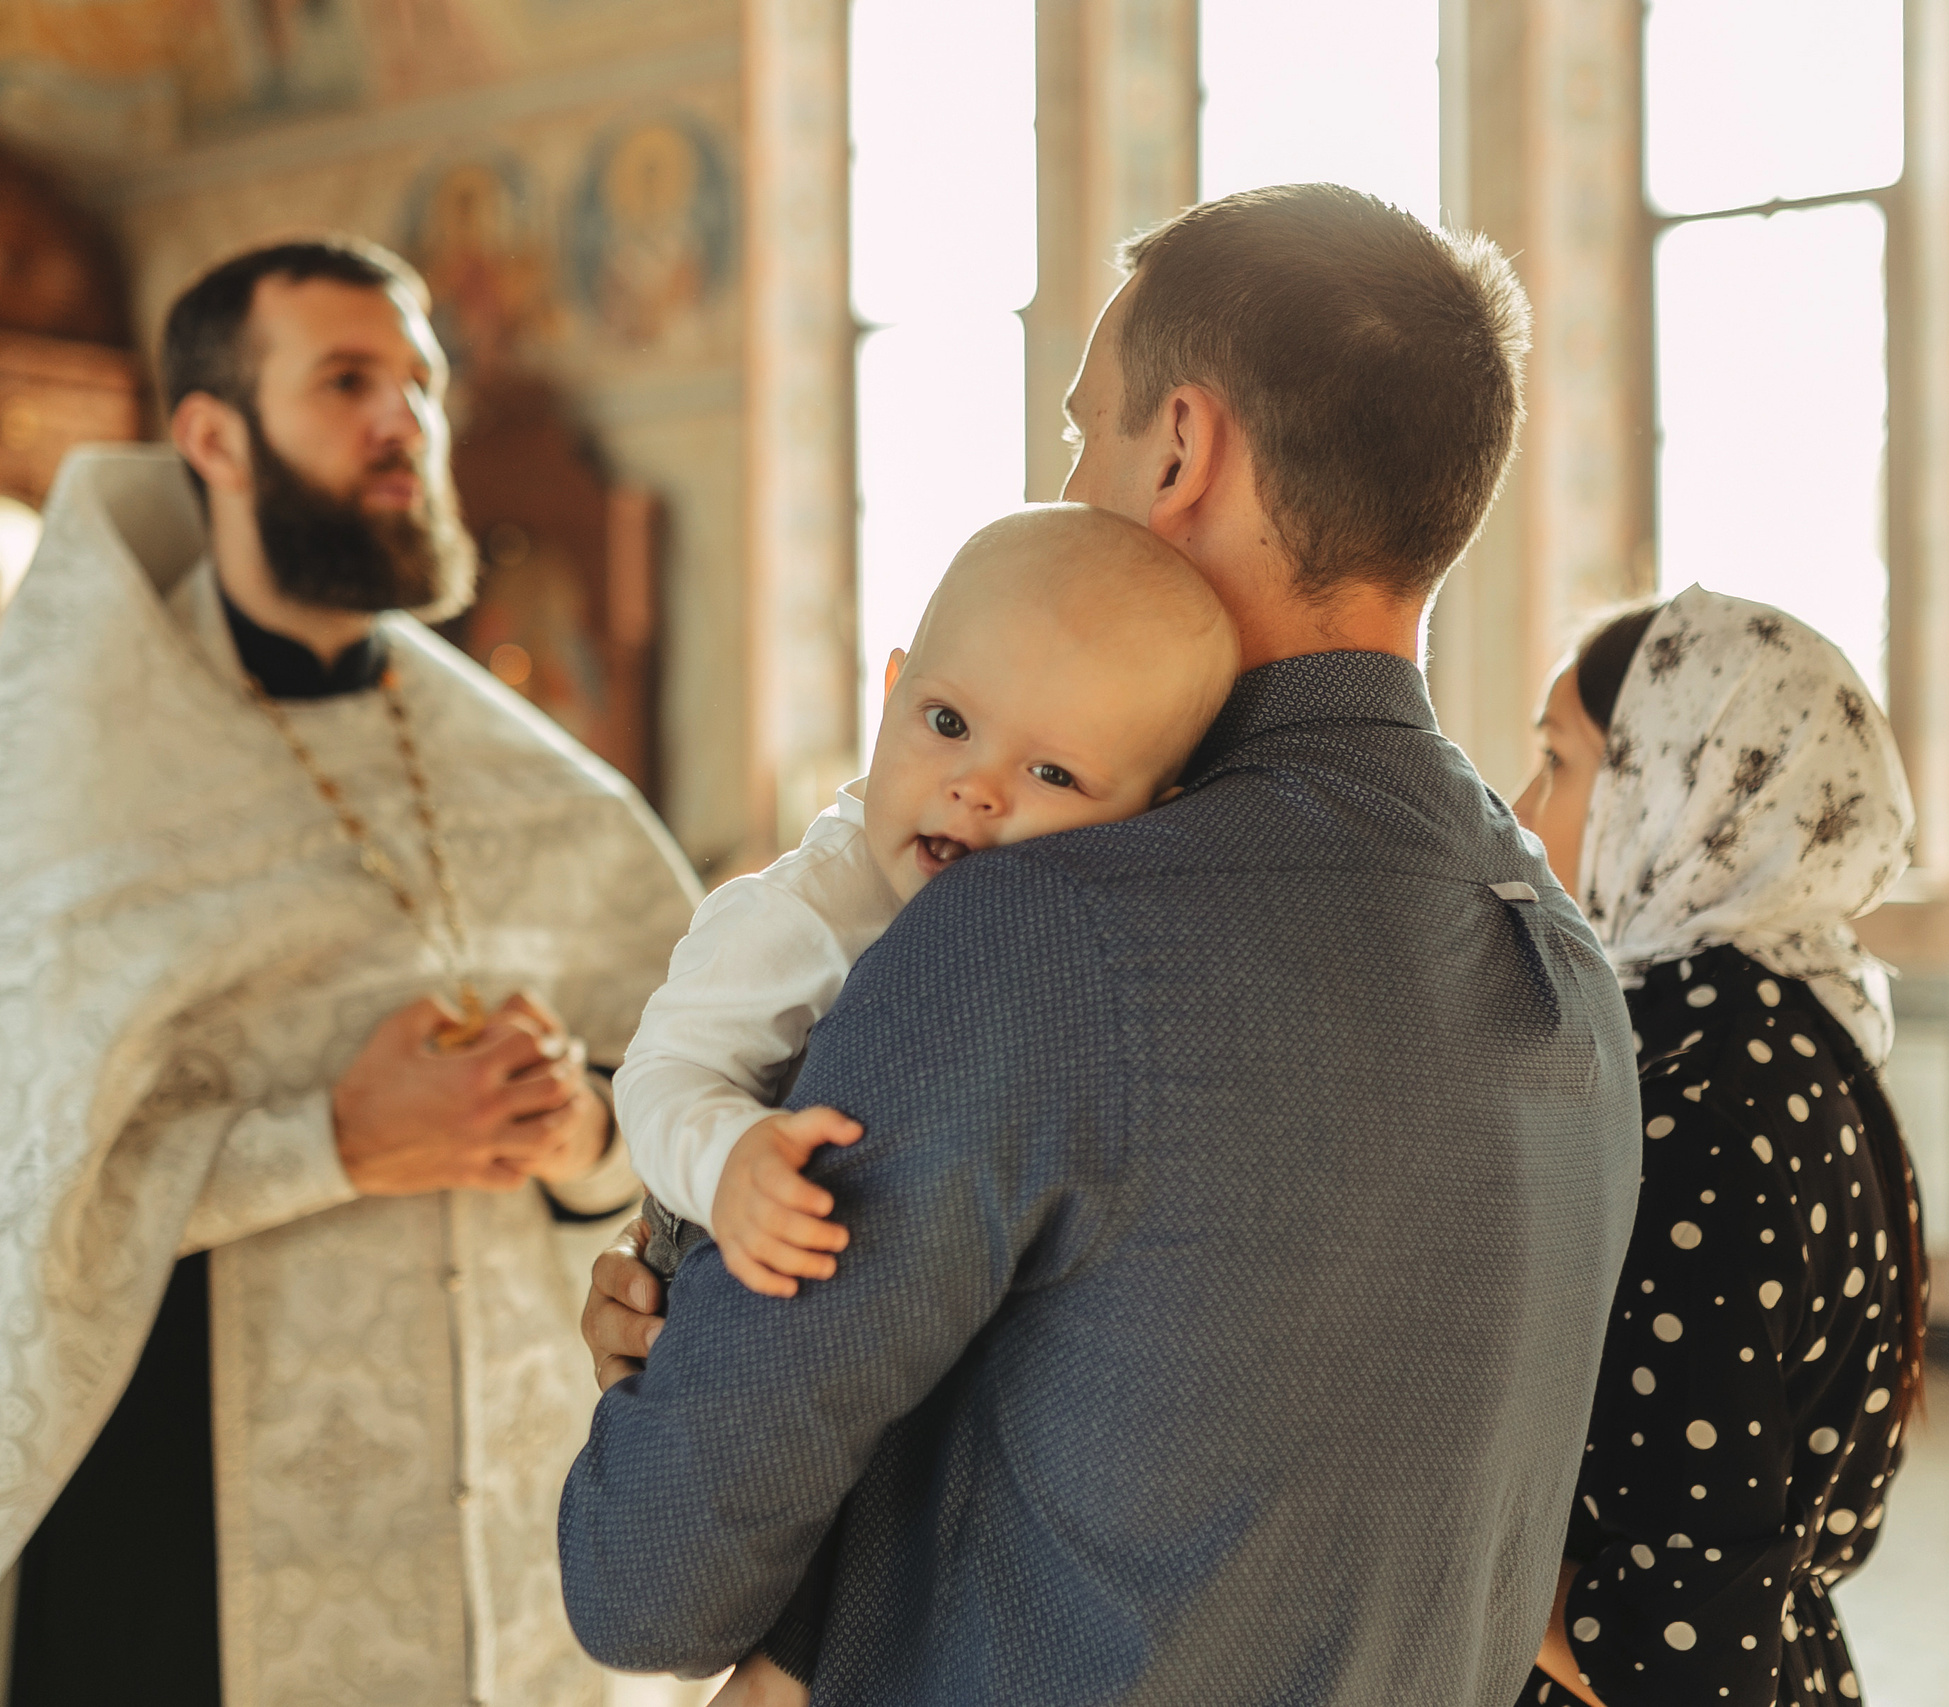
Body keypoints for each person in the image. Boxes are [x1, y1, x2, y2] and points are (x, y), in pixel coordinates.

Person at [562, 183, 1644, 1706]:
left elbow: (648, 1578)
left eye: (1084, 431)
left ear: (1184, 447)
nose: (1068, 472)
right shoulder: (1566, 964)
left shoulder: (1029, 929)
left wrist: (681, 1341)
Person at [0, 239, 700, 1707]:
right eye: (347, 382)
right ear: (212, 435)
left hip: (505, 1534)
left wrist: (576, 1132)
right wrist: (333, 1142)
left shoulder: (536, 782)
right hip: (176, 1535)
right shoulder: (74, 782)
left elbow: (685, 1081)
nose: (405, 422)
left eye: (422, 385)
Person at [618, 506, 1238, 1297]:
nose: (974, 788)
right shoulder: (802, 912)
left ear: (1149, 818)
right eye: (947, 722)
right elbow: (662, 1069)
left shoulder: (1077, 935)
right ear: (889, 693)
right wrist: (727, 1159)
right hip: (737, 1245)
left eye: (1051, 774)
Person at [1508, 586, 1926, 1707]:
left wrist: (1452, 1549)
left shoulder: (1697, 1103)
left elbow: (1674, 1648)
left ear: (1678, 795)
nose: (1518, 807)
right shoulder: (1794, 1028)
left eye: (1558, 762)